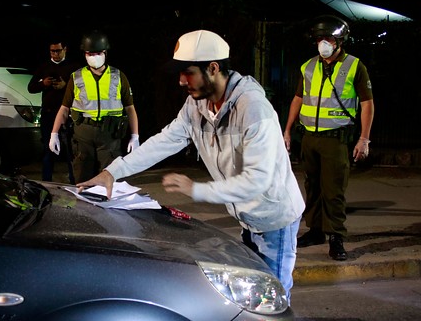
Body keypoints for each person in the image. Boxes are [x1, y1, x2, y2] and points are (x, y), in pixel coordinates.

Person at [77, 29, 304, 303]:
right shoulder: (197, 105)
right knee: (255, 294)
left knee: (274, 297)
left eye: (188, 73)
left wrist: (196, 190)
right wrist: (112, 172)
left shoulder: (253, 108)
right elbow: (166, 140)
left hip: (274, 218)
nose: (182, 81)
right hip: (248, 215)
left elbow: (257, 180)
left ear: (213, 68)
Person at [283, 15, 374, 262]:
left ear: (340, 41)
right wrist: (288, 130)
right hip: (309, 137)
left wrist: (363, 139)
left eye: (328, 38)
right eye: (319, 39)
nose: (323, 43)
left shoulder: (355, 66)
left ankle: (336, 237)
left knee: (333, 190)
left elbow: (367, 104)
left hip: (336, 139)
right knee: (312, 187)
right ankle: (315, 231)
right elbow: (298, 99)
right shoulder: (309, 66)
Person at [49, 30, 139, 183]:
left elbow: (130, 108)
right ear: (84, 54)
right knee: (83, 179)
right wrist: (54, 133)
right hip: (83, 133)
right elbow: (64, 108)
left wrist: (135, 135)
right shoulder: (76, 77)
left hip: (110, 135)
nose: (93, 57)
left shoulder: (118, 76)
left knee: (111, 178)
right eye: (89, 54)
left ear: (105, 52)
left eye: (97, 53)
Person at [27, 36, 78, 183]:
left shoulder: (73, 67)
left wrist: (65, 85)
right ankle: (47, 182)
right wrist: (44, 83)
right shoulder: (44, 67)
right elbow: (31, 87)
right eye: (52, 51)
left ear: (65, 50)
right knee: (48, 150)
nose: (55, 54)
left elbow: (82, 89)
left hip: (66, 114)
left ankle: (74, 181)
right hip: (48, 114)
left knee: (69, 150)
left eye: (58, 51)